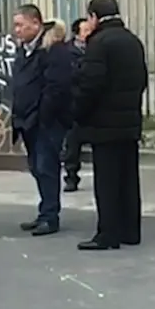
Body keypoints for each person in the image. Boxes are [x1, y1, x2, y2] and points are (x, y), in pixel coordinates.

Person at [72, 0, 147, 251]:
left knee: (106, 181)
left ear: (94, 16)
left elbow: (91, 84)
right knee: (128, 178)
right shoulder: (132, 41)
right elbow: (142, 79)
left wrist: (79, 112)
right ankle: (130, 230)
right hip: (129, 120)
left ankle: (108, 234)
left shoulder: (99, 43)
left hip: (104, 123)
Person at [10, 5, 75, 236]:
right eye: (15, 25)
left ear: (36, 23)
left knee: (46, 167)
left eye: (20, 24)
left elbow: (56, 88)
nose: (16, 30)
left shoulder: (52, 50)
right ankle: (43, 212)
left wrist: (41, 114)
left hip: (46, 121)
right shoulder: (24, 50)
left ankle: (50, 216)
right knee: (36, 167)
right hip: (26, 120)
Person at [62, 17, 91, 192]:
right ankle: (71, 176)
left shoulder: (97, 49)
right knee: (73, 143)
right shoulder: (67, 51)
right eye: (86, 31)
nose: (89, 34)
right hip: (74, 102)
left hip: (92, 101)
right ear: (77, 34)